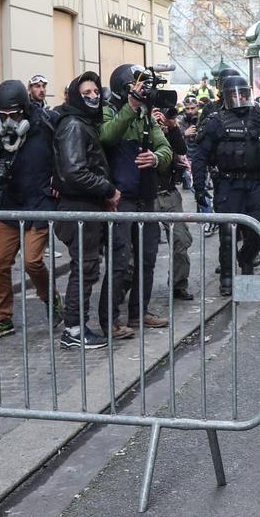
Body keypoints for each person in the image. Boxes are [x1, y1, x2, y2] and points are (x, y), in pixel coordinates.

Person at [0, 80, 60, 339]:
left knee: (33, 261)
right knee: (1, 263)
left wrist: (59, 179)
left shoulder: (46, 125)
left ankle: (51, 298)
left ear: (24, 109)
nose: (9, 120)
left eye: (14, 114)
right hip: (10, 205)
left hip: (40, 203)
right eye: (3, 115)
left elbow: (62, 154)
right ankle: (4, 319)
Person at [192, 74, 260, 297]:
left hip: (256, 182)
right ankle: (227, 278)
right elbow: (200, 155)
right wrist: (199, 187)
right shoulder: (216, 120)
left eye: (242, 94)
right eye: (233, 95)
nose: (239, 98)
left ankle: (246, 258)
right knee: (227, 233)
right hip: (228, 183)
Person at [99, 64, 173, 335]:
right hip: (120, 199)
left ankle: (138, 314)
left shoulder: (146, 115)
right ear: (124, 85)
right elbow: (107, 136)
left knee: (147, 258)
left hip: (145, 197)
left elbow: (165, 147)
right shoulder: (108, 109)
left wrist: (155, 157)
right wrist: (129, 107)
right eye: (138, 83)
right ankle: (110, 321)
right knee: (120, 262)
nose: (143, 89)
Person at [52, 71, 119, 350]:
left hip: (85, 207)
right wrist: (107, 189)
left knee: (87, 268)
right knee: (84, 269)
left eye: (95, 92)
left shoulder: (83, 123)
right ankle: (74, 329)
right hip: (79, 208)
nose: (93, 96)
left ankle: (75, 327)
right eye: (86, 93)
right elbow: (74, 171)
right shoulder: (74, 126)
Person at [154, 106, 194, 300]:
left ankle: (179, 284)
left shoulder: (168, 129)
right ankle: (128, 288)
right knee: (140, 246)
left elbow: (181, 149)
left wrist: (172, 127)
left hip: (168, 192)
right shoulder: (136, 122)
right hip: (146, 195)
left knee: (181, 240)